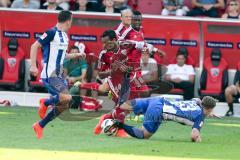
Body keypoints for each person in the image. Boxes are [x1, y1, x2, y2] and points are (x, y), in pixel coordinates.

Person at [30, 11, 85, 139]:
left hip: (60, 75)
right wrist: (33, 66)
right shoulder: (51, 32)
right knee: (67, 97)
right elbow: (34, 46)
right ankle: (46, 103)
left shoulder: (65, 36)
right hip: (50, 74)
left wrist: (76, 55)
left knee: (65, 104)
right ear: (68, 21)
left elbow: (63, 55)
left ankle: (40, 124)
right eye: (72, 20)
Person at [108, 96, 217, 142]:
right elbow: (194, 135)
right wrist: (197, 139)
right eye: (211, 110)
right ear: (208, 109)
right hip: (159, 110)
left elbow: (197, 100)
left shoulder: (196, 102)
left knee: (124, 105)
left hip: (158, 100)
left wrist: (208, 113)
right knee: (143, 135)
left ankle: (114, 98)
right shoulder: (200, 117)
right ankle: (118, 124)